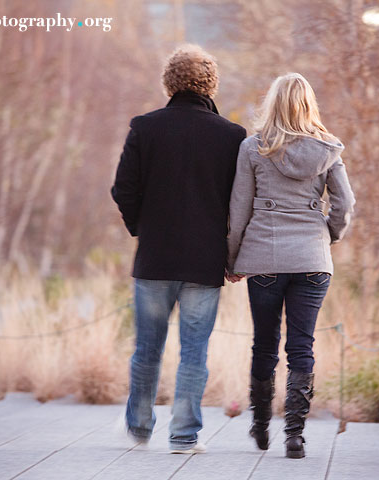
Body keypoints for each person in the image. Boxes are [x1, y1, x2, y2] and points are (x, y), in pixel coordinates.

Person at [111, 44, 246, 454]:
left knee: (147, 348)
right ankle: (184, 436)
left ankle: (138, 427)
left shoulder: (145, 128)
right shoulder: (232, 136)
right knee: (194, 353)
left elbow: (123, 190)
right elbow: (239, 204)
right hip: (204, 262)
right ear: (212, 83)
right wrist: (232, 251)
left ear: (168, 81)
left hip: (155, 257)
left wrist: (143, 229)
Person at [226, 73, 355, 459]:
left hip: (265, 257)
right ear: (308, 105)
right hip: (313, 260)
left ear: (273, 104)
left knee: (265, 342)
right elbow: (345, 206)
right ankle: (295, 436)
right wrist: (326, 238)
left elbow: (239, 208)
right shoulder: (328, 148)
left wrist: (232, 259)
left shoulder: (254, 147)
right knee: (303, 344)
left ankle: (261, 425)